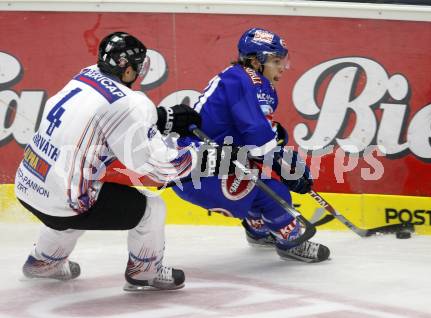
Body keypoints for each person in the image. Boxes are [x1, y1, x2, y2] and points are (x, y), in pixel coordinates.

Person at [14, 31, 201, 291]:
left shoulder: (86, 73)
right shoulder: (131, 103)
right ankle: (144, 272)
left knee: (68, 193)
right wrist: (200, 156)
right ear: (127, 69)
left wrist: (160, 117)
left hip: (27, 183)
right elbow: (157, 168)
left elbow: (102, 114)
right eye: (138, 66)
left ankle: (44, 262)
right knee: (151, 208)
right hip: (63, 202)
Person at [172, 28, 330, 263]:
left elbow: (250, 133)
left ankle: (258, 231)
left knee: (260, 173)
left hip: (197, 168)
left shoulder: (244, 79)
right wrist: (286, 168)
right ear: (256, 61)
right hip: (199, 173)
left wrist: (276, 143)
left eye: (282, 60)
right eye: (276, 61)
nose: (282, 67)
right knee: (275, 190)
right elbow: (257, 140)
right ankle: (291, 241)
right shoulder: (246, 80)